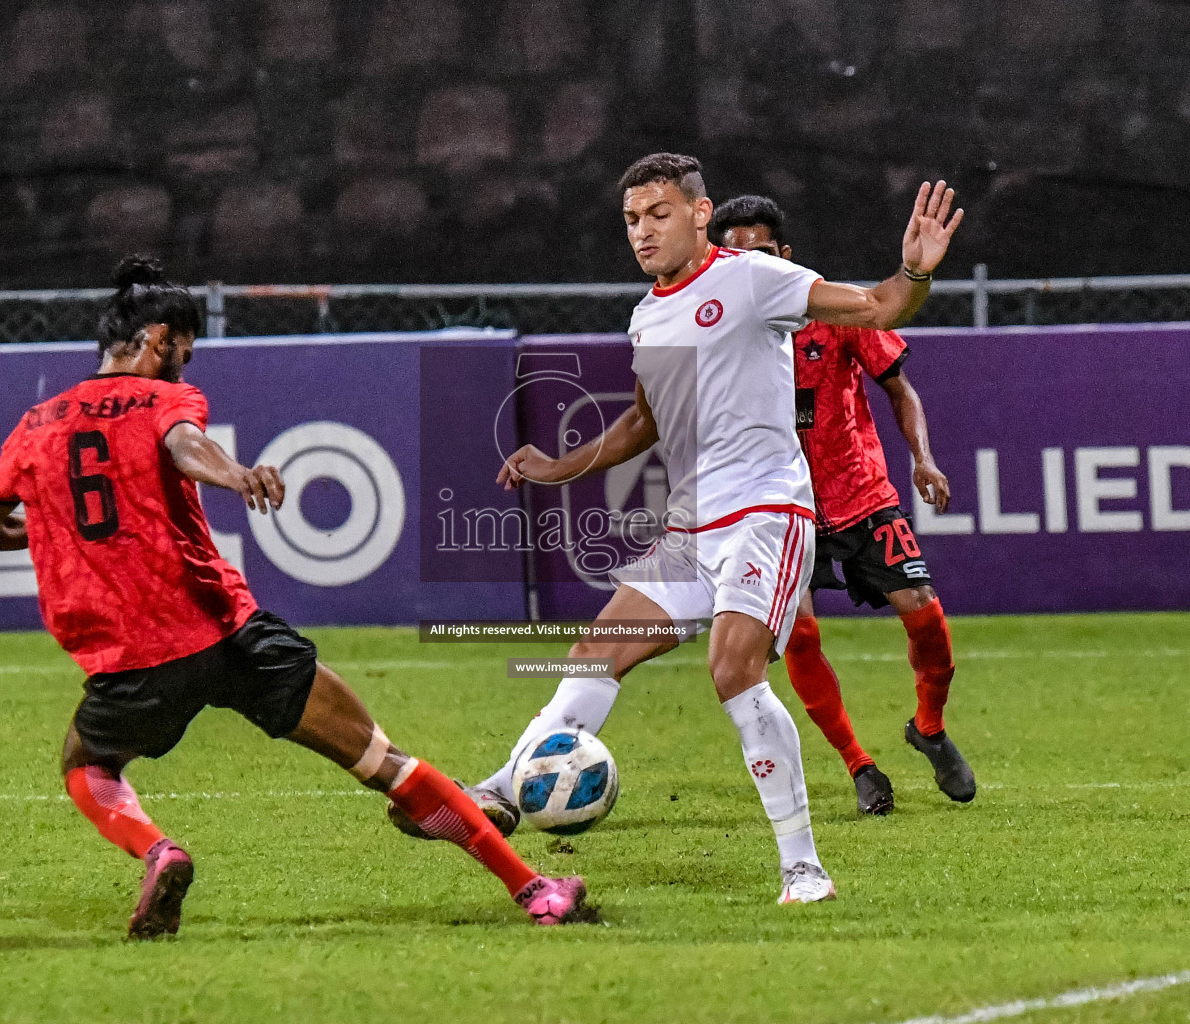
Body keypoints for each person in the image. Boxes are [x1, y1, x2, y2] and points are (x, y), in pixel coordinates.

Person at [0, 256, 592, 938]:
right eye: (184, 353)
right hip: (230, 632)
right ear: (157, 339)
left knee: (87, 765)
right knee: (381, 758)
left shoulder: (35, 426)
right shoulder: (164, 399)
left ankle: (157, 849)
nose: (183, 367)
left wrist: (54, 527)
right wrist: (233, 475)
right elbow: (183, 444)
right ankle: (535, 891)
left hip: (131, 660)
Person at [400, 154, 961, 905]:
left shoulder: (754, 279)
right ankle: (505, 787)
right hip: (691, 529)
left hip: (767, 513)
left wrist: (914, 272)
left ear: (700, 214)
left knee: (734, 673)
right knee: (594, 654)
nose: (643, 231)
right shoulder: (649, 313)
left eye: (659, 214)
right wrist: (561, 466)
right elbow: (645, 420)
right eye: (632, 219)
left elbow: (880, 308)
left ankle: (803, 867)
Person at [709, 195, 976, 814]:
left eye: (764, 253)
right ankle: (859, 766)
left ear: (786, 258)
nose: (751, 265)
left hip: (861, 494)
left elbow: (899, 386)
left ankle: (929, 728)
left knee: (925, 617)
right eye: (737, 255)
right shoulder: (716, 331)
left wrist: (923, 458)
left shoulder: (830, 311)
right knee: (799, 637)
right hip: (778, 509)